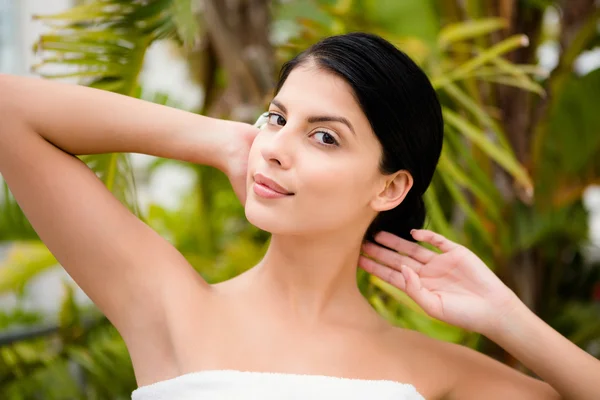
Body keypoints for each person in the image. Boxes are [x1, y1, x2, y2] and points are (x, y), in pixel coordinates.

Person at [0, 32, 598, 400]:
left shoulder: (431, 368)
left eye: (326, 138)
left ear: (390, 187)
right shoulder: (168, 305)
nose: (278, 146)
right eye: (278, 117)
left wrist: (508, 320)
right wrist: (221, 140)